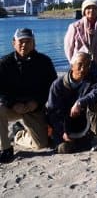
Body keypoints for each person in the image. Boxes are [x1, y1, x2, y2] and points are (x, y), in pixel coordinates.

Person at [0, 29, 57, 163]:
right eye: (21, 41)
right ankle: (6, 148)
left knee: (41, 144)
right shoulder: (4, 63)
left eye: (28, 41)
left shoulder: (44, 61)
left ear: (34, 43)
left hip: (34, 108)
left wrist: (37, 102)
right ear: (14, 43)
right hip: (13, 108)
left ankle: (18, 133)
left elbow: (52, 88)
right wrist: (12, 103)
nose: (24, 45)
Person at [46, 51, 97, 153]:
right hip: (65, 123)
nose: (83, 69)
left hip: (84, 120)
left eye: (87, 65)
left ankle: (96, 136)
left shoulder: (93, 79)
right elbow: (53, 112)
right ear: (72, 66)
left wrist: (80, 103)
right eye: (80, 64)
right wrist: (62, 131)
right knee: (63, 148)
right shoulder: (58, 85)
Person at [64, 0, 97, 77]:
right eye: (88, 8)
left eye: (94, 8)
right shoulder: (75, 26)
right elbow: (68, 47)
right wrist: (72, 62)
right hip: (80, 64)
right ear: (84, 11)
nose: (91, 10)